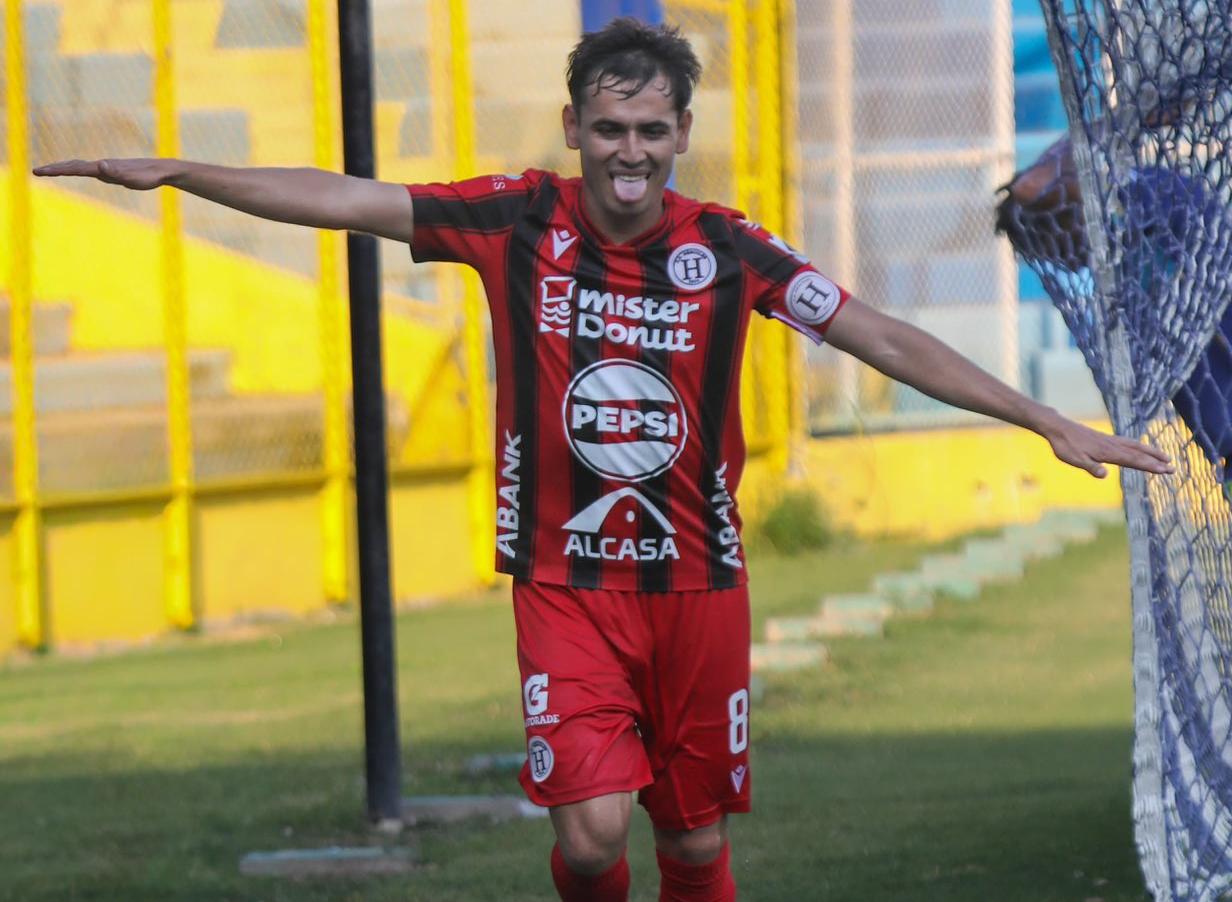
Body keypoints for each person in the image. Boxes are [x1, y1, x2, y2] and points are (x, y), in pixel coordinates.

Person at [35, 18, 1172, 902]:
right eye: (610, 127)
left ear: (680, 134)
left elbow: (879, 335)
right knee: (587, 838)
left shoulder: (729, 248)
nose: (631, 151)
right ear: (574, 128)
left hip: (697, 586)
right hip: (563, 582)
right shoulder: (513, 221)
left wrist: (1041, 418)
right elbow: (344, 199)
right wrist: (182, 173)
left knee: (694, 838)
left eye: (651, 130)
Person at [996, 134, 1232, 500]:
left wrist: (1109, 125)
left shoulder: (1154, 202)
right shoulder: (1125, 290)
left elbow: (1031, 186)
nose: (1062, 263)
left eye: (1049, 248)